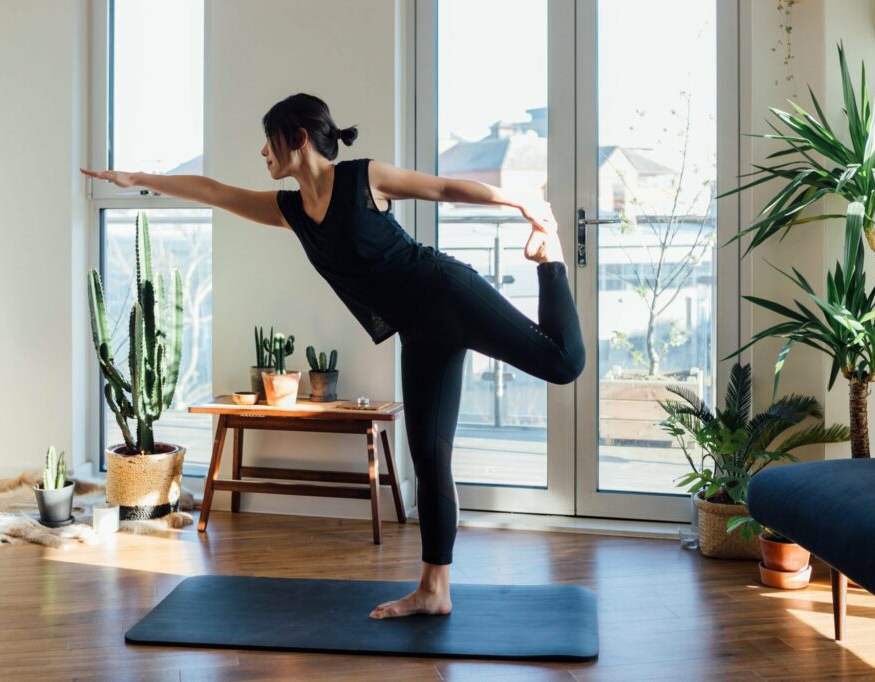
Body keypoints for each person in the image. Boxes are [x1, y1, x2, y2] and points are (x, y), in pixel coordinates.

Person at [81, 92, 585, 620]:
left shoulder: (364, 178)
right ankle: (435, 590)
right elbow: (212, 190)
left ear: (298, 139)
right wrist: (138, 176)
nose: (262, 153)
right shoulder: (291, 211)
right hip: (418, 332)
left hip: (447, 292)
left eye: (269, 141)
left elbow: (441, 187)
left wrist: (518, 203)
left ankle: (550, 261)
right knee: (431, 460)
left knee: (562, 364)